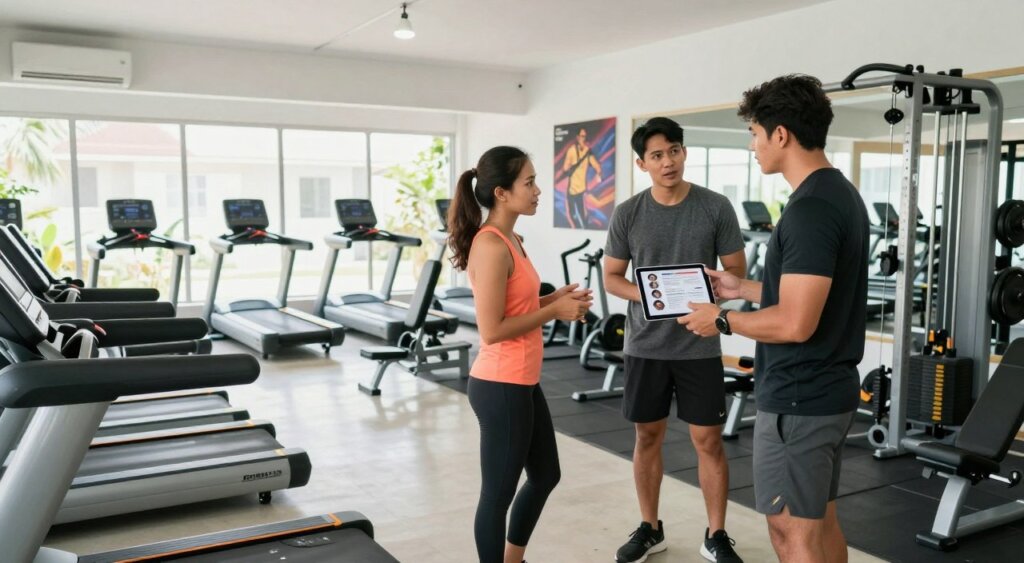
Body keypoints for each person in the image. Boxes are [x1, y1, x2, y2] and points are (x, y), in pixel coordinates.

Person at [680, 74, 869, 563]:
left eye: (755, 134)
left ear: (780, 134)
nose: (753, 146)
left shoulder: (810, 209)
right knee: (821, 525)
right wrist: (740, 288)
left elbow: (795, 323)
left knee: (792, 534)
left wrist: (721, 320)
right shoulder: (838, 193)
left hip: (800, 397)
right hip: (825, 389)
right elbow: (810, 297)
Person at [605, 117, 747, 563]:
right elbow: (612, 278)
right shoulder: (628, 212)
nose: (668, 162)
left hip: (700, 344)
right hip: (646, 344)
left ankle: (717, 534)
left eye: (674, 151)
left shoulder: (715, 207)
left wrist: (711, 297)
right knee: (647, 437)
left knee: (708, 440)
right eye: (657, 155)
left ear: (684, 152)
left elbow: (736, 272)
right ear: (641, 162)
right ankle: (650, 528)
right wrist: (652, 297)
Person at [447, 145, 593, 563]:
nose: (537, 190)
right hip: (500, 384)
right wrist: (554, 311)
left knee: (546, 475)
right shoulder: (491, 245)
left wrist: (555, 297)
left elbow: (518, 304)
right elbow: (492, 330)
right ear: (501, 193)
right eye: (528, 182)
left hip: (522, 381)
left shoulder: (514, 238)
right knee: (497, 495)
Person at [562, 128, 602, 228]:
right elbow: (565, 167)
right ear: (577, 137)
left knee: (580, 214)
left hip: (580, 189)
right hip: (572, 188)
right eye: (582, 136)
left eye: (585, 136)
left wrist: (599, 173)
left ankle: (582, 228)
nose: (583, 138)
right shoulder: (572, 150)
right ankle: (578, 229)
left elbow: (596, 166)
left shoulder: (587, 152)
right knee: (573, 214)